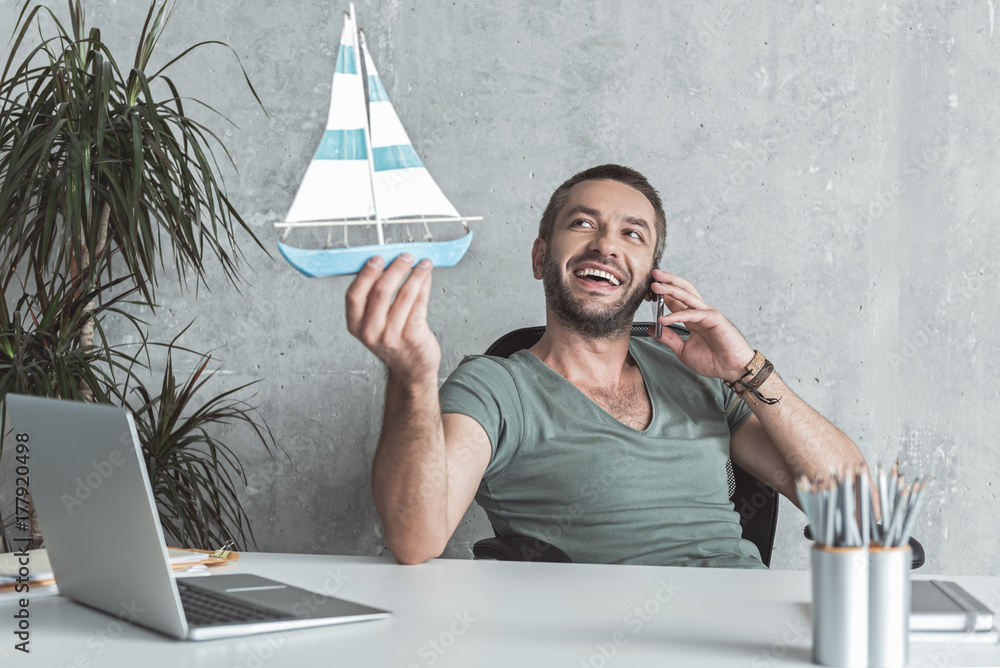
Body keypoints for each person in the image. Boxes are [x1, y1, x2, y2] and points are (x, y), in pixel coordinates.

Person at [346, 164, 872, 568]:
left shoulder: (701, 376)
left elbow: (853, 504)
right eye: (583, 224)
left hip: (746, 624)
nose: (605, 245)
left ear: (652, 280)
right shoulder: (495, 387)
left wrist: (747, 371)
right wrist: (410, 378)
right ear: (540, 257)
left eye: (633, 234)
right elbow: (416, 538)